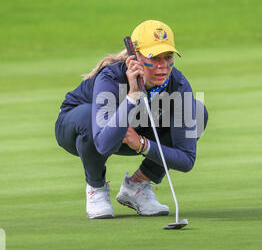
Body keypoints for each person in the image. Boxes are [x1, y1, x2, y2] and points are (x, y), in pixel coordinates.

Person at [55, 20, 208, 219]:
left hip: (134, 132)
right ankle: (96, 188)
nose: (162, 66)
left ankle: (137, 187)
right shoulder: (111, 76)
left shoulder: (178, 84)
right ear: (135, 57)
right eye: (154, 58)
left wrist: (142, 144)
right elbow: (103, 144)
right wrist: (132, 96)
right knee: (88, 115)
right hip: (79, 128)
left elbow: (186, 160)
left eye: (168, 57)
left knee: (196, 110)